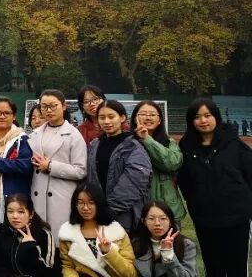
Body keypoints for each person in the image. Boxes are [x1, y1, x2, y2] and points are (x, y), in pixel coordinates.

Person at [177, 98, 252, 277]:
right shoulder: (187, 148)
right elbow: (186, 184)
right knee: (214, 267)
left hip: (237, 218)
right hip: (206, 219)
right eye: (197, 116)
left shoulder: (235, 145)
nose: (203, 120)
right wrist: (197, 206)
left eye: (207, 115)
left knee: (236, 267)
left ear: (216, 117)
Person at [86, 100, 151, 232]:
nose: (106, 122)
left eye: (111, 117)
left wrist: (110, 209)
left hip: (125, 214)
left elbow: (134, 181)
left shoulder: (132, 146)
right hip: (98, 213)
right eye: (102, 117)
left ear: (122, 118)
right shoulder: (95, 145)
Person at [29, 90, 87, 232]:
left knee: (60, 237)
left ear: (64, 106)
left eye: (53, 106)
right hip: (37, 197)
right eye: (44, 106)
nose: (48, 110)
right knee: (40, 237)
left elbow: (81, 171)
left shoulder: (74, 135)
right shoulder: (34, 134)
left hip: (61, 198)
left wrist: (51, 166)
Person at [130, 100, 185, 223]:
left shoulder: (169, 143)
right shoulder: (128, 143)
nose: (148, 117)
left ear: (159, 120)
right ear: (134, 118)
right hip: (137, 206)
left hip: (166, 208)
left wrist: (146, 139)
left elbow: (172, 163)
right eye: (143, 114)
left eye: (153, 114)